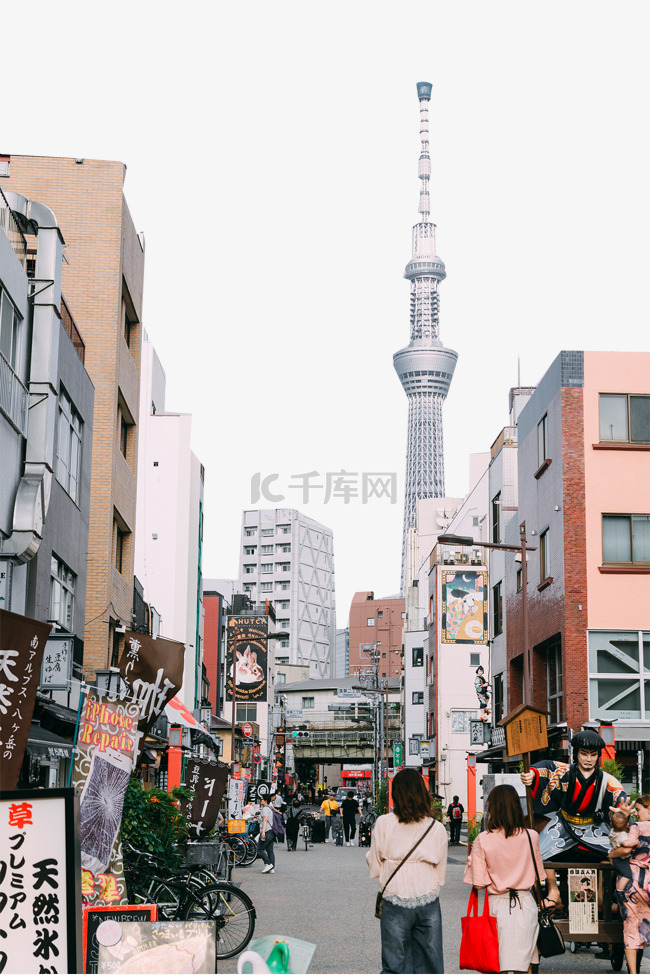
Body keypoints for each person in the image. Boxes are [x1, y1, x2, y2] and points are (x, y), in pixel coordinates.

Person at [520, 728, 629, 905]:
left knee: (616, 855)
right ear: (576, 753)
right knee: (537, 853)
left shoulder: (608, 781)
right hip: (563, 825)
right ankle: (553, 890)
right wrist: (532, 774)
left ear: (598, 756)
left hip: (594, 828)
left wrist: (623, 812)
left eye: (593, 755)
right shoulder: (563, 772)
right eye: (584, 754)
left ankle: (601, 895)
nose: (588, 759)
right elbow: (546, 768)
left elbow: (620, 798)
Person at [367, 768, 448, 974]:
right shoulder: (436, 827)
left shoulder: (384, 823)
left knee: (395, 963)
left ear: (396, 794)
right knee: (430, 961)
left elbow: (375, 863)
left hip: (394, 895)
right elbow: (440, 871)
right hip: (427, 896)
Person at [464, 784, 545, 974]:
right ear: (517, 806)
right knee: (525, 964)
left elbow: (478, 883)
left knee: (496, 961)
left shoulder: (483, 839)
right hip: (526, 905)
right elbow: (537, 876)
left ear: (492, 808)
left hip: (497, 907)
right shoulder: (531, 836)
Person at [607, 794, 650, 973]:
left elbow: (624, 848)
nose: (637, 813)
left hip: (634, 882)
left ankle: (633, 972)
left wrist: (611, 854)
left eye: (639, 809)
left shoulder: (637, 827)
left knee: (631, 926)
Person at [257, 795, 276, 874]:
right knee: (270, 850)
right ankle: (272, 868)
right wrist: (259, 817)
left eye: (261, 799)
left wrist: (263, 832)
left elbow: (265, 820)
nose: (260, 801)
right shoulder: (269, 808)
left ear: (265, 800)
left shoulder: (265, 809)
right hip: (271, 831)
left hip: (266, 831)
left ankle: (268, 863)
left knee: (259, 849)